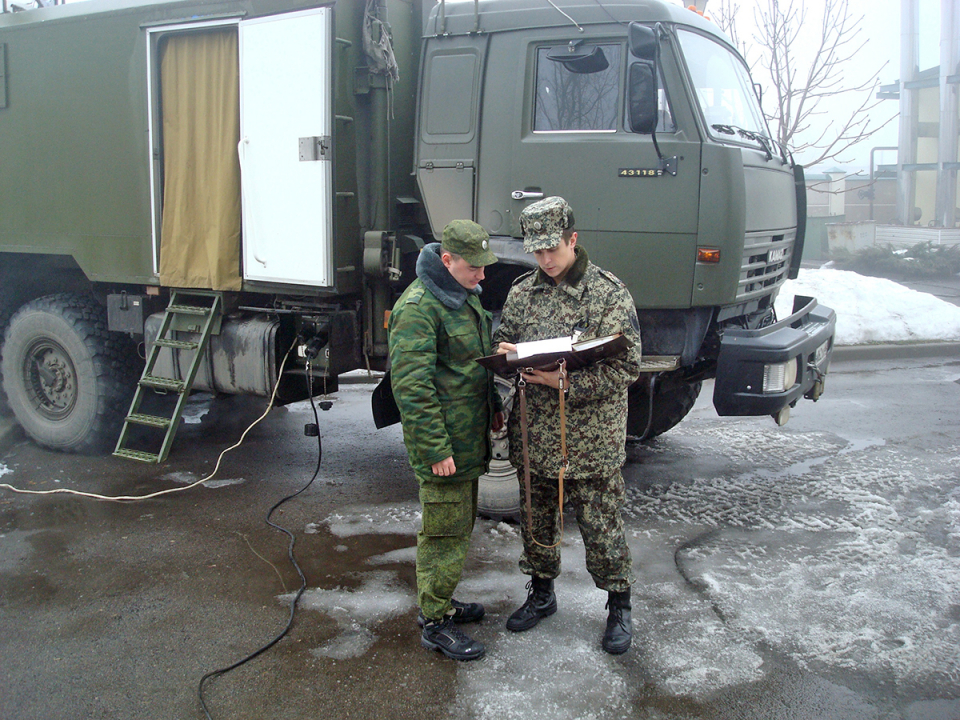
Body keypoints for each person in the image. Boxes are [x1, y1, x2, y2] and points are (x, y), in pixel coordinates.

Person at [493, 196, 642, 654]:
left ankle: (619, 606)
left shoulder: (607, 294)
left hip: (590, 441)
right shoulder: (522, 292)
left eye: (552, 249)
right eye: (536, 251)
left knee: (601, 525)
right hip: (535, 434)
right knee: (536, 518)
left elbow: (627, 367)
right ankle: (541, 594)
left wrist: (566, 381)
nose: (545, 260)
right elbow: (505, 340)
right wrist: (506, 355)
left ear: (573, 239)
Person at [387, 219, 503, 661]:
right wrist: (435, 449)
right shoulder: (419, 307)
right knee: (443, 534)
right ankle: (434, 622)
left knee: (457, 526)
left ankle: (442, 601)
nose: (482, 276)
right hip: (445, 445)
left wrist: (492, 405)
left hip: (467, 438)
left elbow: (473, 364)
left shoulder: (462, 296)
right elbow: (412, 387)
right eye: (474, 266)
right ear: (447, 260)